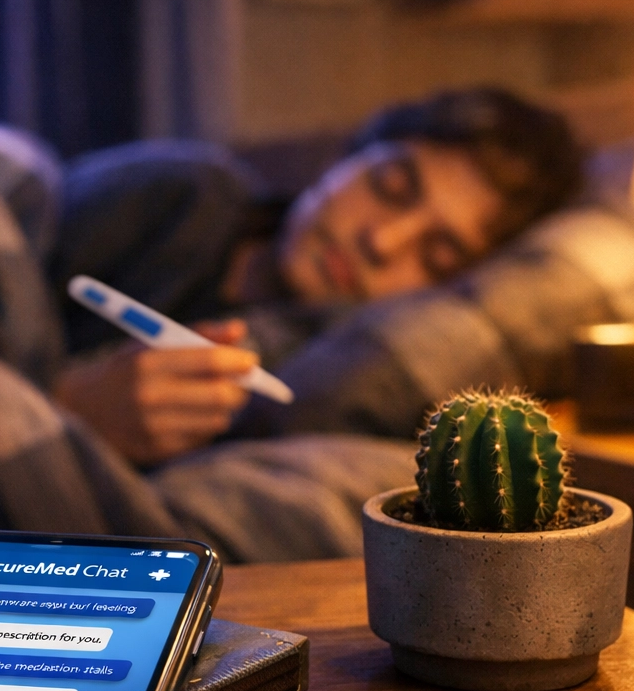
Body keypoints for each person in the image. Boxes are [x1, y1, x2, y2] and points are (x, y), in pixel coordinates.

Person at [50, 86, 583, 466]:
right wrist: (71, 406)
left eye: (437, 256)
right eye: (391, 186)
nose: (382, 241)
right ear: (345, 159)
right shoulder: (184, 196)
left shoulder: (322, 377)